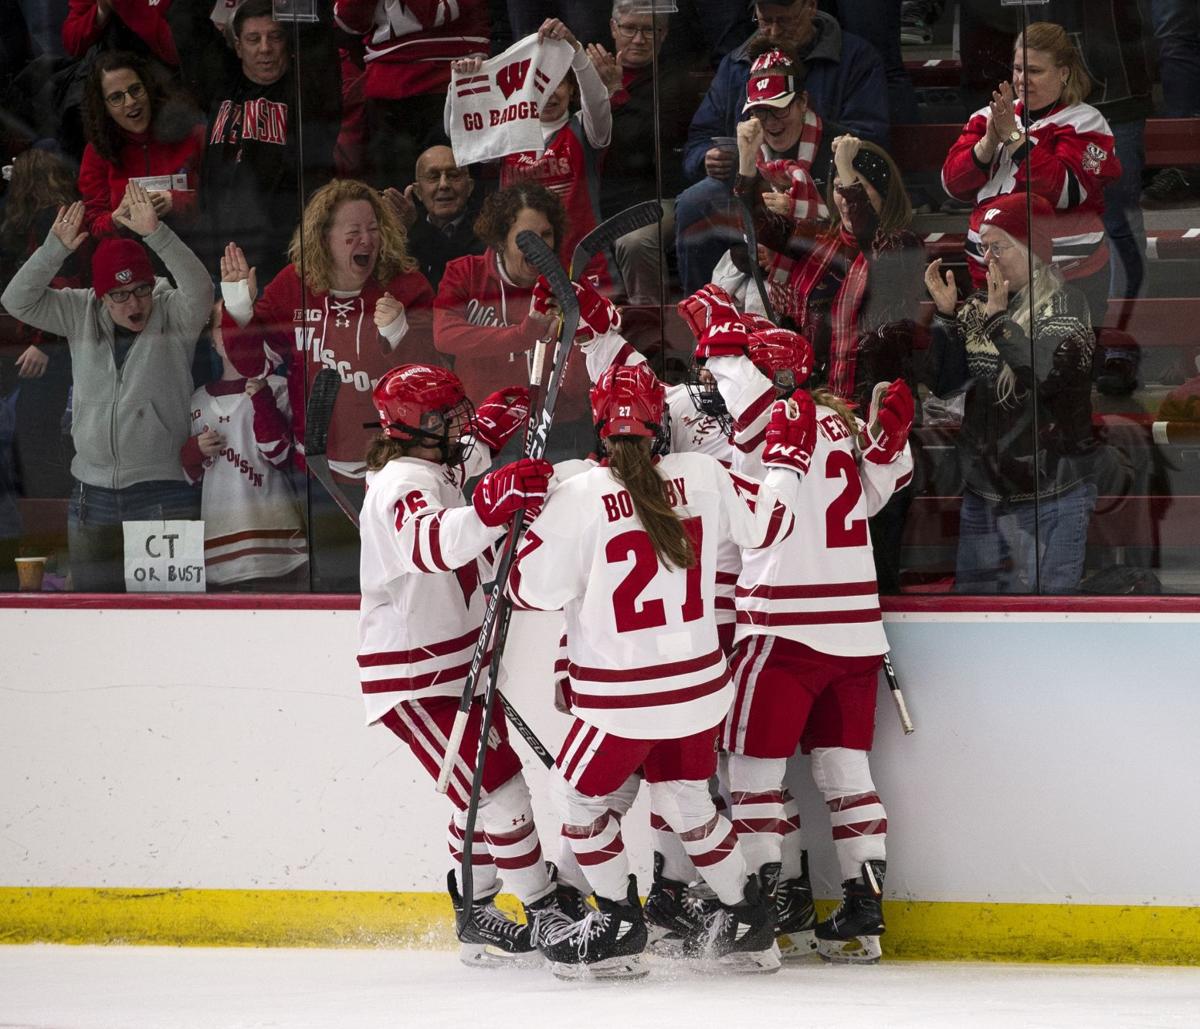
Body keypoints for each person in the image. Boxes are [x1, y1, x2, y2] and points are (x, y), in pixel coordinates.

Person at [506, 361, 812, 978]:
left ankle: (619, 923)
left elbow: (524, 591)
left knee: (579, 802)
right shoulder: (703, 473)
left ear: (599, 425)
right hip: (700, 689)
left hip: (622, 700)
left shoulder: (578, 494)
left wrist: (526, 515)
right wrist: (786, 460)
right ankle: (750, 921)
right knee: (689, 804)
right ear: (660, 427)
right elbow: (773, 522)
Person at [683, 290, 914, 963]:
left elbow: (740, 384)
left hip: (783, 629)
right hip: (858, 634)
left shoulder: (769, 420)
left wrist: (720, 338)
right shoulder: (838, 426)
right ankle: (862, 917)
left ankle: (760, 925)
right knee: (846, 770)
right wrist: (893, 452)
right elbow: (871, 495)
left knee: (754, 777)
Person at [358, 361, 575, 966]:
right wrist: (494, 503)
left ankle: (475, 909)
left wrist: (485, 437)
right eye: (447, 417)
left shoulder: (434, 463)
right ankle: (545, 910)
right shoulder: (399, 483)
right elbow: (436, 544)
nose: (459, 423)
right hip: (414, 677)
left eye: (460, 412)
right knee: (499, 791)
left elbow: (464, 472)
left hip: (460, 666)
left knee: (473, 797)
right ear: (412, 429)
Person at [220, 178, 435, 592]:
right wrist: (239, 311)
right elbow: (255, 363)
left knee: (404, 587)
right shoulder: (292, 286)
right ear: (324, 237)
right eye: (353, 232)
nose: (366, 240)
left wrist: (402, 336)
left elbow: (437, 377)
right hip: (321, 475)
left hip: (397, 472)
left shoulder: (407, 286)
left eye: (373, 229)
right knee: (337, 586)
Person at [1, 183, 214, 591]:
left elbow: (201, 289)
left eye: (140, 290)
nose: (134, 305)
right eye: (119, 295)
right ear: (100, 297)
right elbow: (17, 301)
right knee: (91, 613)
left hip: (163, 490)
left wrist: (156, 234)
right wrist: (53, 250)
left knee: (172, 613)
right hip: (91, 494)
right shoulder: (79, 311)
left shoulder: (174, 312)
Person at [737, 128, 922, 591]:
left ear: (883, 194)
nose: (842, 198)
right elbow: (760, 225)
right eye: (837, 188)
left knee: (874, 557)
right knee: (823, 550)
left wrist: (844, 170)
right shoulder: (822, 244)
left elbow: (871, 238)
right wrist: (745, 164)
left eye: (855, 188)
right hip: (824, 421)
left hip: (876, 423)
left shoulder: (902, 246)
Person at [925, 191, 1102, 595]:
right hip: (986, 494)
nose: (988, 258)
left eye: (998, 246)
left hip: (1055, 492)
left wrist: (1001, 323)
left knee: (1051, 620)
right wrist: (946, 318)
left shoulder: (1069, 305)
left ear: (1030, 247)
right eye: (983, 247)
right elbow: (945, 385)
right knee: (973, 617)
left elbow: (1043, 377)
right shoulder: (979, 309)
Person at [675, 0, 889, 294]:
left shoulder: (854, 57)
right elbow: (699, 138)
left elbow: (868, 142)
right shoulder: (736, 63)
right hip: (747, 180)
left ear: (811, 7)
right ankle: (704, 313)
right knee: (695, 203)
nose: (774, 31)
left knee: (841, 197)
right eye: (765, 21)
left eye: (785, 21)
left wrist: (804, 164)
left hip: (822, 179)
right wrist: (706, 158)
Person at [940, 21, 1122, 324]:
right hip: (988, 276)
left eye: (1035, 71)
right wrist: (988, 143)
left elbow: (1066, 190)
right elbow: (951, 184)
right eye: (1018, 69)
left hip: (1067, 278)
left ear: (1063, 73)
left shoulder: (1087, 122)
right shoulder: (989, 116)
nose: (1023, 80)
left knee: (1059, 367)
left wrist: (1014, 139)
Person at [173, 0, 341, 284]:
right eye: (253, 39)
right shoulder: (222, 84)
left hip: (286, 263)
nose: (265, 48)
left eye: (275, 37)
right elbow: (185, 20)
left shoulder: (308, 89)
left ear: (288, 43)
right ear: (238, 47)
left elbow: (320, 33)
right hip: (218, 260)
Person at [433, 183, 592, 452]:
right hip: (479, 430)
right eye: (526, 238)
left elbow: (577, 390)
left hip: (555, 433)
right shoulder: (465, 273)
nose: (539, 246)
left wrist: (583, 337)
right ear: (500, 239)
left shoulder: (570, 285)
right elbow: (444, 336)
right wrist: (523, 335)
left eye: (546, 234)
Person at [181, 303, 306, 590]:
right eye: (221, 326)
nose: (228, 333)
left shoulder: (277, 387)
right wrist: (194, 450)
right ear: (212, 339)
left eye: (236, 325)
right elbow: (190, 473)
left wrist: (263, 403)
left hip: (275, 542)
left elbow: (280, 455)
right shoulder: (197, 400)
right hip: (219, 544)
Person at [584, 1, 693, 304]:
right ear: (613, 28)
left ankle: (654, 337)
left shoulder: (677, 80)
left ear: (664, 34)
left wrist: (616, 91)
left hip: (654, 199)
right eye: (631, 28)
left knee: (633, 242)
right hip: (598, 201)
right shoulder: (588, 75)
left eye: (649, 30)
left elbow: (642, 141)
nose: (639, 39)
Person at [493, 17, 613, 288]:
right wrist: (461, 83)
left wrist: (575, 49)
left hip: (584, 269)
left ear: (572, 89)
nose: (547, 94)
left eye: (557, 82)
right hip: (521, 272)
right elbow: (461, 137)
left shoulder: (586, 128)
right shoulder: (504, 133)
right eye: (537, 85)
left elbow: (597, 99)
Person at [332, 0, 488, 190]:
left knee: (451, 193)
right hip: (385, 88)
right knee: (393, 200)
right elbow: (348, 20)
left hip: (451, 81)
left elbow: (438, 12)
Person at [78, 50, 204, 240]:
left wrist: (176, 201)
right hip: (129, 253)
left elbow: (222, 201)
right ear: (103, 107)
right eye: (116, 98)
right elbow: (92, 222)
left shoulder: (194, 134)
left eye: (136, 89)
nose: (130, 102)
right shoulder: (97, 151)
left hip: (193, 245)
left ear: (149, 88)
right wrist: (117, 218)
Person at [385, 145, 484, 291]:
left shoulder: (487, 228)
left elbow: (460, 267)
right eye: (433, 177)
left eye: (453, 175)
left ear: (469, 187)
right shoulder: (403, 231)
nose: (444, 185)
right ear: (418, 192)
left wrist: (416, 226)